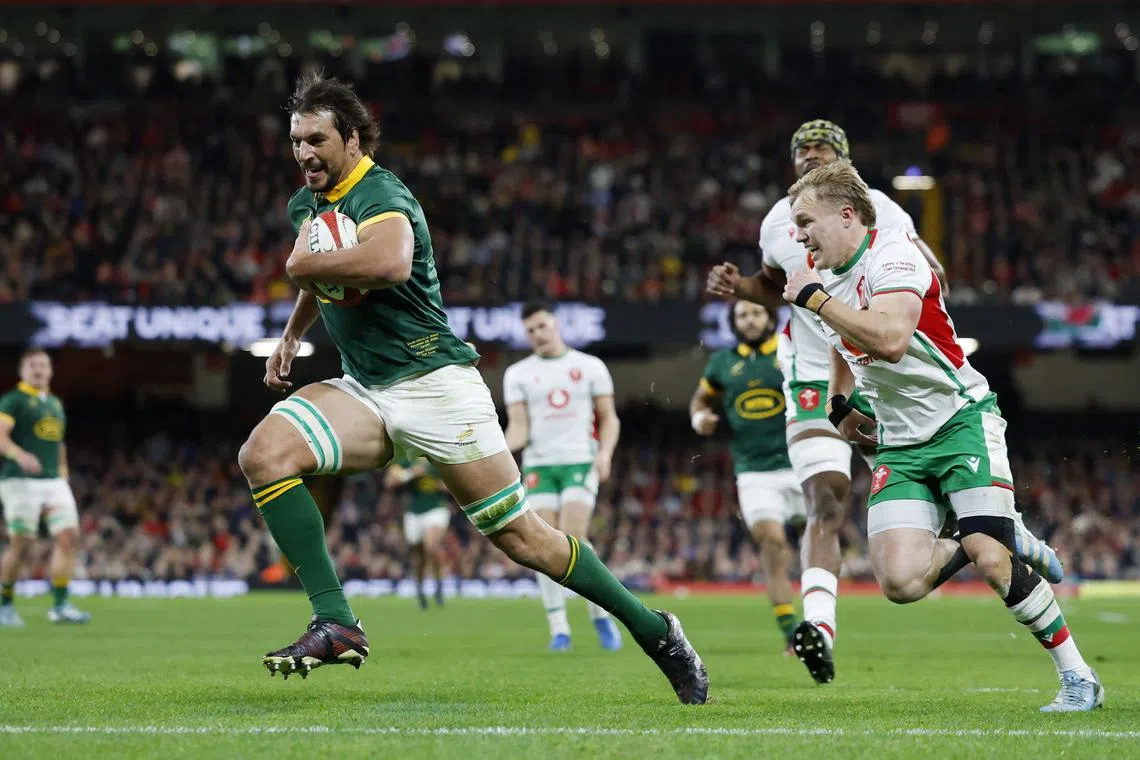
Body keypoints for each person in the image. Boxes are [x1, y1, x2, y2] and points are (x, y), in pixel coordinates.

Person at [238, 70, 706, 703]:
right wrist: (295, 332)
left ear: (351, 139)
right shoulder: (308, 204)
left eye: (315, 139)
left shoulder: (382, 194)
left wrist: (301, 265)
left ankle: (657, 632)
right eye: (295, 141)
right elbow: (319, 276)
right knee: (264, 455)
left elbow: (387, 262)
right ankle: (336, 621)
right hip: (366, 388)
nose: (302, 153)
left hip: (438, 387)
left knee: (524, 539)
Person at [707, 119, 1062, 684]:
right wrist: (744, 288)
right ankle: (819, 627)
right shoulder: (779, 221)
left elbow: (922, 281)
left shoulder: (885, 218)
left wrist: (876, 291)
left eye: (821, 153)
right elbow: (777, 285)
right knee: (826, 492)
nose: (808, 161)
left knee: (943, 507)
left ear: (845, 170)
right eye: (801, 153)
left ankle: (993, 529)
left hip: (889, 371)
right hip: (815, 366)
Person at [780, 160, 1103, 712]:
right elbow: (840, 341)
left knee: (992, 560)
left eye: (806, 220)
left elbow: (890, 338)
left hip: (960, 421)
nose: (798, 233)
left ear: (847, 214)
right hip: (899, 443)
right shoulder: (823, 275)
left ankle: (1078, 677)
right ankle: (994, 528)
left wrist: (815, 300)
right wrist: (838, 405)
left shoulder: (895, 254)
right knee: (900, 582)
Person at [503, 301, 623, 652]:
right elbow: (519, 430)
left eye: (541, 326)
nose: (537, 334)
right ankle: (559, 628)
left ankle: (600, 613)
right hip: (539, 465)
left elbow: (609, 418)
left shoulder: (589, 366)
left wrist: (605, 453)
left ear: (555, 323)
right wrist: (493, 455)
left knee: (573, 535)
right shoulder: (518, 374)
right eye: (530, 331)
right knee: (541, 546)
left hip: (579, 461)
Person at [690, 300, 803, 654]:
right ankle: (790, 633)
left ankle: (820, 617)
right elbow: (699, 401)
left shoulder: (790, 351)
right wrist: (700, 419)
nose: (750, 320)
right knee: (771, 542)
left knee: (815, 538)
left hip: (802, 462)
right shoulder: (722, 363)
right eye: (742, 315)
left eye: (756, 313)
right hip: (754, 471)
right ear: (734, 323)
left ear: (770, 316)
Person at [0, 348, 91, 627]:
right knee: (22, 546)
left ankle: (61, 605)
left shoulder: (54, 403)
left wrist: (63, 472)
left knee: (69, 536)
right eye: (33, 365)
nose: (39, 369)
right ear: (22, 370)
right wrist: (19, 455)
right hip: (19, 480)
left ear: (51, 371)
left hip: (53, 481)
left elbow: (59, 443)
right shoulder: (13, 400)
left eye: (43, 365)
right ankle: (5, 604)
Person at [385, 456, 449, 610]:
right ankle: (420, 590)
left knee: (431, 547)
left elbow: (454, 483)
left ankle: (439, 585)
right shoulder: (406, 460)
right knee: (418, 556)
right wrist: (412, 473)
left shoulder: (437, 457)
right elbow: (389, 482)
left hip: (436, 508)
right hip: (414, 513)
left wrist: (441, 484)